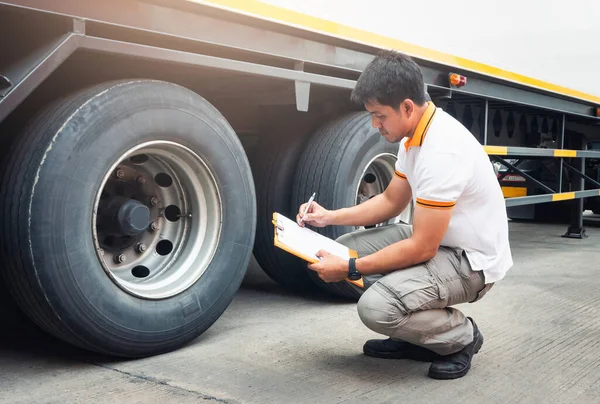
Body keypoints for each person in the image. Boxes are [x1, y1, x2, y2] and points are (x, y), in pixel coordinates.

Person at [296, 50, 513, 380]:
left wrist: (349, 269)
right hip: (439, 244)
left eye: (379, 115)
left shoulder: (442, 150)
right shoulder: (413, 136)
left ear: (407, 107)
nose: (374, 124)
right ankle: (414, 336)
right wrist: (328, 216)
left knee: (374, 307)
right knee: (345, 246)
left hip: (470, 262)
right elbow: (390, 201)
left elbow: (422, 248)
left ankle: (460, 337)